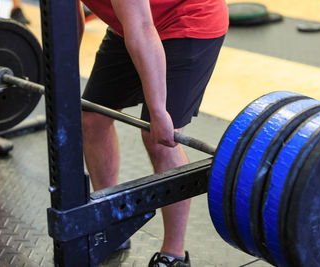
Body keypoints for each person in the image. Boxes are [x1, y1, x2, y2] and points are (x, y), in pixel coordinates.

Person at [76, 0, 228, 266]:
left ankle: (174, 254)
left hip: (186, 19)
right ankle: (111, 222)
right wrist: (62, 78)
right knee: (91, 118)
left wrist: (158, 112)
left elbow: (144, 28)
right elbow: (67, 20)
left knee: (159, 140)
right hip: (130, 23)